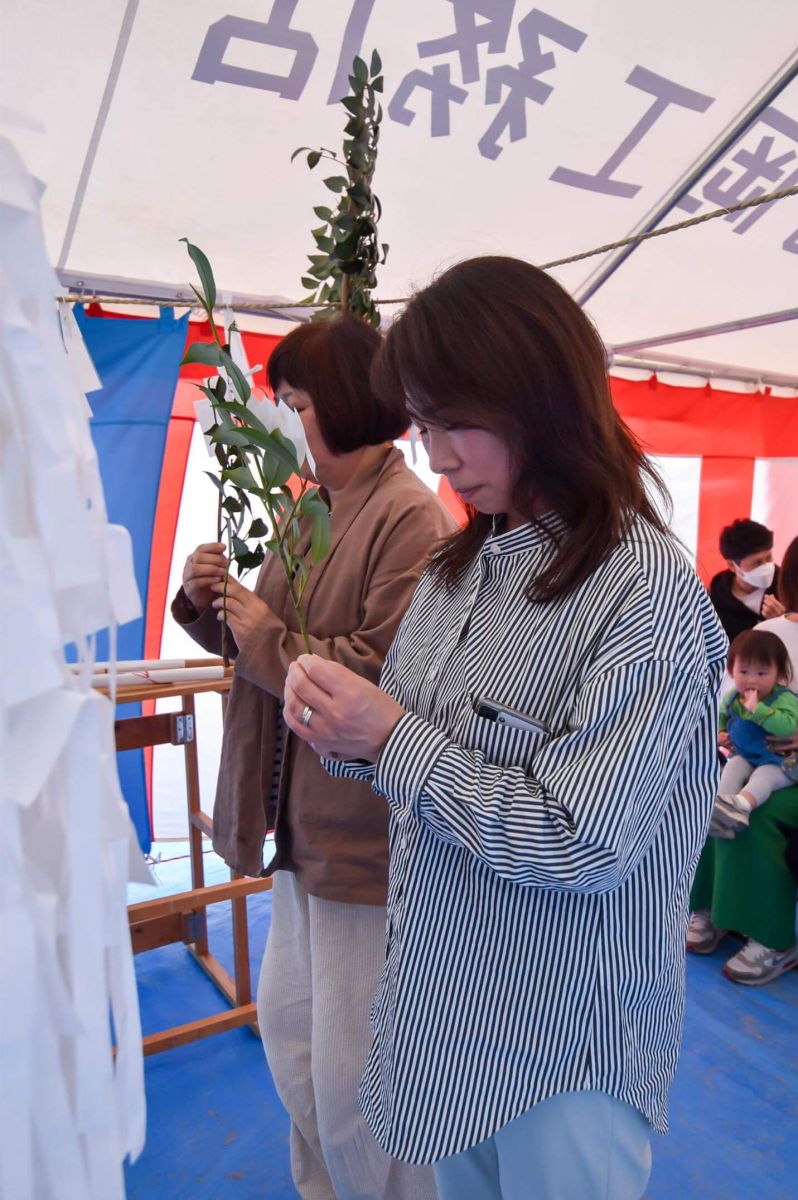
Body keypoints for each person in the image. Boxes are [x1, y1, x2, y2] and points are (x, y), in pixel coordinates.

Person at [283, 256, 728, 1200]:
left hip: (565, 1044)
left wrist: (392, 737)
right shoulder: (453, 574)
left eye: (456, 422)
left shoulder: (639, 591)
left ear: (542, 398)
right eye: (425, 423)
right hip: (444, 1016)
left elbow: (580, 839)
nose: (437, 455)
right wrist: (346, 736)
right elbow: (411, 764)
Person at [172, 315, 453, 1200]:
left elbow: (382, 676)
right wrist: (201, 600)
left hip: (357, 837)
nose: (284, 418)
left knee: (356, 1075)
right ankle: (323, 1189)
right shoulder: (309, 500)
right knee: (295, 1044)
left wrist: (265, 639)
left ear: (336, 403)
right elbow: (259, 638)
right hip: (292, 822)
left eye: (293, 401)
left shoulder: (410, 516)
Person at [689, 532, 798, 984]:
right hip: (755, 755)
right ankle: (715, 908)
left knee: (762, 808)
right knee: (714, 796)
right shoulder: (770, 632)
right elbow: (729, 691)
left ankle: (774, 939)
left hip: (793, 774)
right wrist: (730, 731)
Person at [713, 629, 798, 833]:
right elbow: (721, 717)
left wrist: (758, 710)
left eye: (761, 673)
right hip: (745, 754)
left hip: (779, 759)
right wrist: (721, 732)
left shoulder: (784, 698)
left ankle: (742, 805)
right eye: (744, 672)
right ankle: (720, 808)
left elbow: (788, 728)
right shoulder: (733, 697)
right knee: (732, 767)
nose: (752, 680)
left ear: (778, 674)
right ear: (731, 671)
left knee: (764, 776)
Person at [708, 518, 784, 642]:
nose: (767, 566)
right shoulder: (715, 601)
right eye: (757, 562)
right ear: (732, 566)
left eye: (769, 557)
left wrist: (784, 621)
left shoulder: (789, 585)